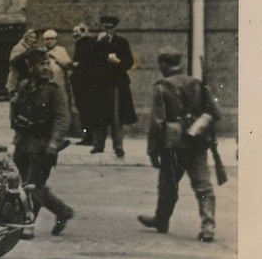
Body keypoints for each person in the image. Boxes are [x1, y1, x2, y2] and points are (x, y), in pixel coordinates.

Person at [138, 48, 223, 242]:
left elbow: (157, 122)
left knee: (168, 184)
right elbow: (216, 113)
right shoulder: (197, 84)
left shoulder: (161, 86)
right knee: (203, 185)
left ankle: (161, 219)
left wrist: (152, 150)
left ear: (164, 65)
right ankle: (208, 225)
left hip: (173, 144)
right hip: (197, 143)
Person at [11, 48, 74, 238]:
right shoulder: (23, 86)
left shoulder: (53, 90)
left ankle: (26, 224)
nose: (46, 68)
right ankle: (62, 210)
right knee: (29, 184)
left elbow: (62, 119)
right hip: (23, 143)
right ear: (31, 68)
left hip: (43, 145)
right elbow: (16, 111)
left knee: (33, 185)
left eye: (47, 63)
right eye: (41, 64)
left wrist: (54, 143)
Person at [89, 15, 137, 157]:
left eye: (110, 27)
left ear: (115, 28)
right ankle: (98, 144)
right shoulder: (95, 42)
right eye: (104, 27)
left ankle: (118, 146)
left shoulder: (121, 42)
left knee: (116, 116)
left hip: (116, 84)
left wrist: (118, 62)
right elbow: (88, 61)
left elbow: (129, 62)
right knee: (99, 114)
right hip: (98, 84)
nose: (107, 30)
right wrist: (97, 44)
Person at [70, 23, 98, 144]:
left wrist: (76, 65)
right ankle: (90, 136)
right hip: (88, 84)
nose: (75, 35)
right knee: (88, 111)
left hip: (83, 84)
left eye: (77, 32)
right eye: (74, 32)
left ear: (84, 32)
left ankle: (88, 137)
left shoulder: (82, 43)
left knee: (85, 111)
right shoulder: (91, 43)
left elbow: (82, 63)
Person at [6, 29, 39, 98]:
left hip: (29, 80)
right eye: (31, 37)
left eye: (35, 38)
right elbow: (13, 62)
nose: (33, 40)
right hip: (17, 79)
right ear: (26, 37)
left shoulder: (34, 49)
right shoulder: (18, 48)